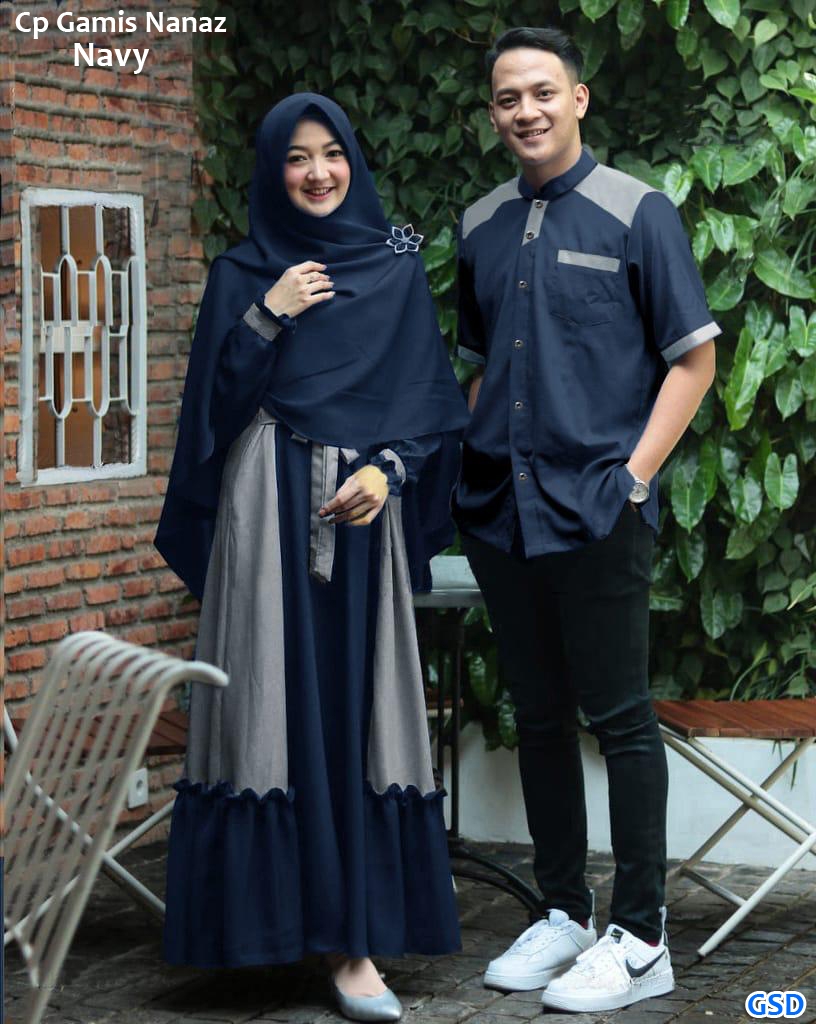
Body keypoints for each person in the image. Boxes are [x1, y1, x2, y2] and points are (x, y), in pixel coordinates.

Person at [155, 93, 468, 1023]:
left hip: (361, 522)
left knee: (351, 711)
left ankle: (354, 941)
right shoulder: (241, 273)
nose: (318, 172)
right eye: (297, 157)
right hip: (265, 514)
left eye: (332, 153)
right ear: (273, 170)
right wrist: (268, 314)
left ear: (354, 161)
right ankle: (268, 929)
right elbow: (211, 415)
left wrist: (387, 470)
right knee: (271, 706)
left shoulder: (394, 269)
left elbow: (430, 408)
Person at [454, 27, 720, 1014]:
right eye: (506, 98)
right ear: (493, 114)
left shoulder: (638, 211)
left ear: (579, 98)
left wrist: (634, 480)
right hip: (503, 513)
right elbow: (480, 363)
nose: (523, 110)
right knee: (537, 717)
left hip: (600, 508)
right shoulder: (480, 221)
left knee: (621, 719)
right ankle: (565, 911)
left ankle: (643, 938)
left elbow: (694, 359)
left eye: (541, 91)